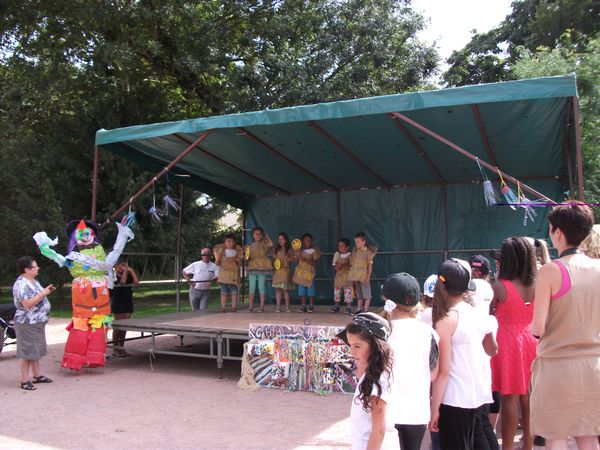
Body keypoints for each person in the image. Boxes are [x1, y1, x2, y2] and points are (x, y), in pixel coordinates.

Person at [531, 203, 600, 449]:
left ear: (557, 232)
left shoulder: (550, 271)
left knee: (556, 435)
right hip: (594, 366)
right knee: (589, 437)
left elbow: (538, 327)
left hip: (557, 367)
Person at [430, 259, 498, 450]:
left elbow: (443, 371)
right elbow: (492, 349)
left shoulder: (446, 320)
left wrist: (434, 409)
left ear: (441, 284)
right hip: (477, 394)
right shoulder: (476, 313)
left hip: (454, 398)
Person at [489, 236, 538, 450]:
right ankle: (528, 444)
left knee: (509, 397)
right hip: (530, 340)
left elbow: (489, 314)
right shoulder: (538, 284)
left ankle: (507, 447)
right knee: (527, 398)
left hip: (508, 343)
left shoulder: (499, 286)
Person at [382, 273, 439, 450]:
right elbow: (433, 373)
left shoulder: (381, 333)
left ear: (387, 300)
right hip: (417, 412)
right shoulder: (429, 333)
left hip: (387, 410)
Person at [338, 312, 399, 450]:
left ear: (376, 346)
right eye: (350, 345)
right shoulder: (370, 374)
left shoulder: (378, 381)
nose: (352, 352)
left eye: (357, 346)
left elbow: (379, 430)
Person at [468, 255, 500, 450]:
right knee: (482, 422)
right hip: (482, 369)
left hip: (473, 370)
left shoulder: (474, 289)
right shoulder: (488, 288)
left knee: (478, 425)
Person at [12, 256, 56, 390]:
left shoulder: (33, 281)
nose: (38, 268)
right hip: (26, 322)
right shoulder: (21, 284)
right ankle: (24, 380)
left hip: (37, 322)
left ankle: (37, 375)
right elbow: (27, 304)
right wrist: (43, 293)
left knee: (34, 349)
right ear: (27, 269)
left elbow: (38, 296)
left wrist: (46, 291)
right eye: (35, 266)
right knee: (27, 351)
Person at [110, 258, 140, 357]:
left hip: (127, 301)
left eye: (124, 265)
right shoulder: (113, 276)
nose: (123, 267)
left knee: (125, 326)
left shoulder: (127, 274)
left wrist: (130, 270)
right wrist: (126, 271)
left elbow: (136, 282)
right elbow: (122, 282)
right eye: (121, 265)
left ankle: (121, 347)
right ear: (116, 266)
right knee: (118, 326)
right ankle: (115, 348)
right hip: (118, 302)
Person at [245, 227, 273, 313]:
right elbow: (247, 257)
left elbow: (271, 245)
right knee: (252, 287)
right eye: (256, 234)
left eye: (260, 234)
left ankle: (262, 307)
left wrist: (267, 237)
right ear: (253, 235)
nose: (258, 235)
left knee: (261, 287)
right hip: (252, 268)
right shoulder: (249, 246)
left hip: (262, 268)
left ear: (262, 235)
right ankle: (250, 306)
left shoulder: (265, 244)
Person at [348, 232, 377, 313]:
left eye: (358, 242)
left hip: (364, 277)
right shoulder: (355, 252)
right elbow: (352, 264)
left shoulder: (368, 253)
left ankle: (365, 309)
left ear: (363, 242)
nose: (356, 244)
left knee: (367, 294)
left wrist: (368, 277)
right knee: (359, 294)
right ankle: (358, 309)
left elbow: (370, 266)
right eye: (355, 242)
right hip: (356, 277)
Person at [292, 233, 321, 313]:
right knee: (302, 291)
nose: (307, 242)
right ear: (302, 242)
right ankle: (303, 305)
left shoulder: (314, 251)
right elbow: (296, 261)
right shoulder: (300, 251)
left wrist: (306, 260)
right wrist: (296, 256)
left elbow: (315, 263)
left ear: (311, 241)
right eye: (305, 240)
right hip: (301, 274)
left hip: (309, 274)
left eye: (308, 240)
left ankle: (311, 306)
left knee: (310, 290)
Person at [214, 234, 243, 313]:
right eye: (227, 241)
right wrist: (216, 262)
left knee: (234, 292)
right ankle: (223, 307)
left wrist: (238, 261)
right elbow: (218, 261)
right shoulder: (221, 252)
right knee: (223, 292)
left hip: (233, 274)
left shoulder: (236, 252)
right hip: (224, 274)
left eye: (230, 241)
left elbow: (239, 264)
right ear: (225, 243)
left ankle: (234, 307)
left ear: (234, 243)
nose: (229, 243)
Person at [271, 232, 294, 312]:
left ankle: (288, 307)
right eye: (279, 239)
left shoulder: (289, 250)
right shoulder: (276, 249)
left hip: (285, 271)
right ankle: (278, 307)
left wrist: (289, 259)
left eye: (282, 239)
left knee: (286, 289)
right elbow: (274, 258)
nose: (280, 241)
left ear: (286, 240)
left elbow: (294, 259)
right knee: (278, 289)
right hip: (277, 272)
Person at [331, 238, 353, 314]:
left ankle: (348, 307)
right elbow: (334, 266)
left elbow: (351, 266)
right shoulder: (337, 255)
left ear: (347, 247)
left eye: (342, 246)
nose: (340, 247)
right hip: (339, 276)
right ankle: (336, 305)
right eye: (339, 246)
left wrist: (343, 265)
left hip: (347, 276)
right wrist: (337, 266)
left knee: (348, 291)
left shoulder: (350, 255)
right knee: (337, 291)